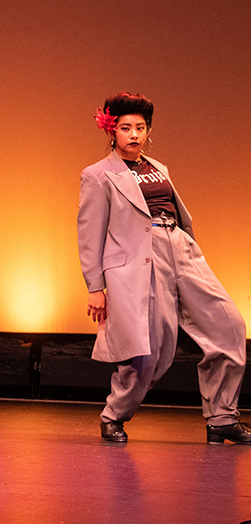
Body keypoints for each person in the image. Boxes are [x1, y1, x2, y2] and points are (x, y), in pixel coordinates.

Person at [78, 91, 248, 444]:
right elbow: (90, 234)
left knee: (229, 327)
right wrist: (95, 287)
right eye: (126, 128)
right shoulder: (98, 175)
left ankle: (222, 418)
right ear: (113, 132)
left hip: (181, 249)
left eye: (140, 127)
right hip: (138, 261)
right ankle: (114, 415)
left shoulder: (158, 168)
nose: (134, 134)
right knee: (150, 351)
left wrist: (187, 247)